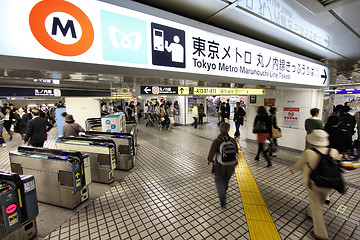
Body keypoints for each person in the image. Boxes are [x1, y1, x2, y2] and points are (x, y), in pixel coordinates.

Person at [290, 130, 339, 240]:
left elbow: (299, 164)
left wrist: (293, 169)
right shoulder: (334, 151)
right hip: (329, 183)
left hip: (313, 183)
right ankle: (311, 212)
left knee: (316, 207)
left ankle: (321, 234)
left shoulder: (309, 152)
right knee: (319, 201)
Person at [207, 122, 238, 208]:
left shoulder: (217, 141)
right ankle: (224, 190)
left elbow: (212, 152)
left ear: (220, 130)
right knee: (226, 180)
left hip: (219, 166)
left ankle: (222, 199)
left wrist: (209, 160)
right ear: (228, 130)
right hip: (230, 166)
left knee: (218, 181)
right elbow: (236, 153)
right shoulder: (233, 140)